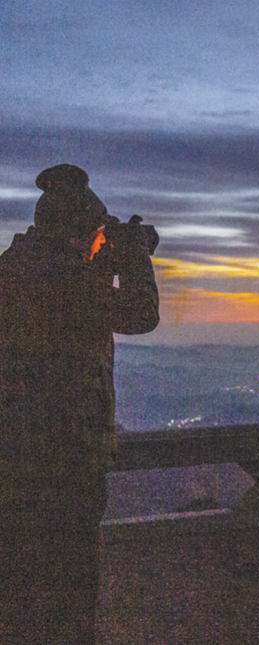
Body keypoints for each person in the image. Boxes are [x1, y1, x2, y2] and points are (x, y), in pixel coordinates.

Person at [0, 164, 159, 644]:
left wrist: (104, 258)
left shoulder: (16, 269)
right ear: (76, 234)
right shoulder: (63, 281)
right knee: (66, 606)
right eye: (94, 237)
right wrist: (133, 258)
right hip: (61, 470)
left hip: (16, 465)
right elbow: (141, 313)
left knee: (19, 602)